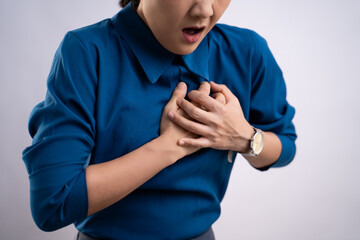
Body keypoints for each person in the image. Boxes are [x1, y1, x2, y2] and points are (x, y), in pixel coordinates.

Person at [22, 0, 297, 239]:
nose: (204, 10)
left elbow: (285, 146)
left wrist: (245, 138)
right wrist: (169, 147)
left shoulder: (246, 51)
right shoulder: (86, 51)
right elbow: (54, 202)